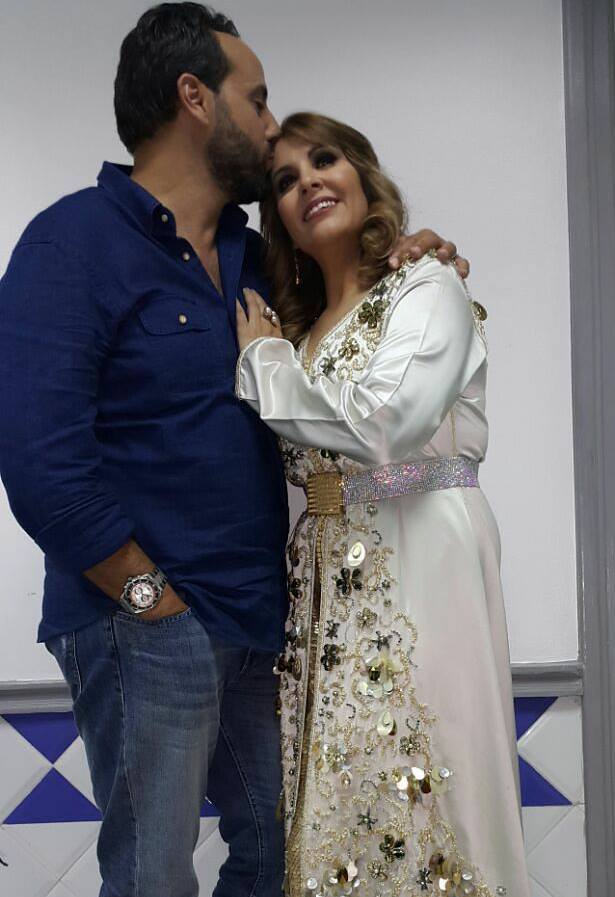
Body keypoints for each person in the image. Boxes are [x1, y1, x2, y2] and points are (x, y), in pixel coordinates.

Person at [0, 5, 468, 897]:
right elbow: (38, 462)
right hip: (144, 622)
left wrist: (408, 252)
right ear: (195, 99)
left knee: (277, 858)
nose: (268, 122)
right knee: (153, 875)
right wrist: (151, 600)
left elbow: (345, 331)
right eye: (256, 100)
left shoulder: (256, 258)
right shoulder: (70, 243)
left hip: (263, 626)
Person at [235, 112, 530, 897]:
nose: (308, 183)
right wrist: (274, 352)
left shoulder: (426, 285)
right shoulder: (298, 330)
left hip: (422, 554)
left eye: (323, 160)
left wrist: (262, 365)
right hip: (325, 585)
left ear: (363, 175)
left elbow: (383, 424)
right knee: (344, 803)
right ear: (278, 219)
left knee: (435, 780)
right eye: (286, 181)